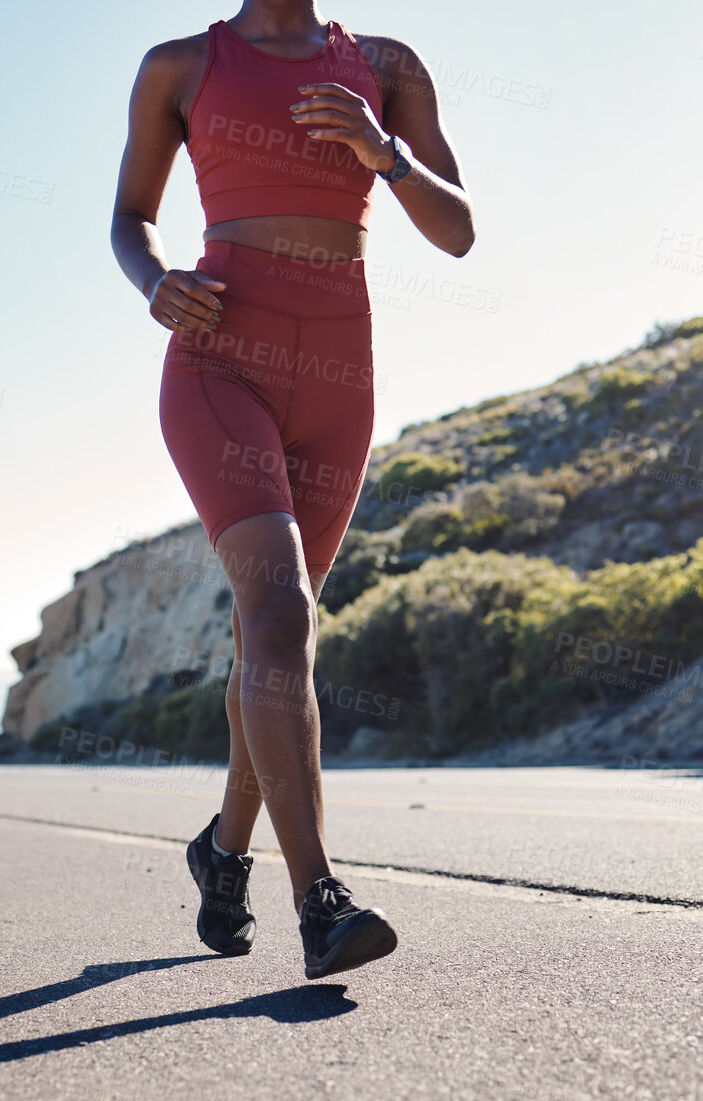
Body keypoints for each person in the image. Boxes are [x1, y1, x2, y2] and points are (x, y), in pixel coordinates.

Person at [109, 1, 474, 979]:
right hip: (219, 354)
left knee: (276, 638)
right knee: (274, 613)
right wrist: (151, 280)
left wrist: (382, 150)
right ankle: (320, 900)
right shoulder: (180, 65)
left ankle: (223, 851)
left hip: (338, 375)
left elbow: (458, 230)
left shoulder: (387, 63)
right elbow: (128, 216)